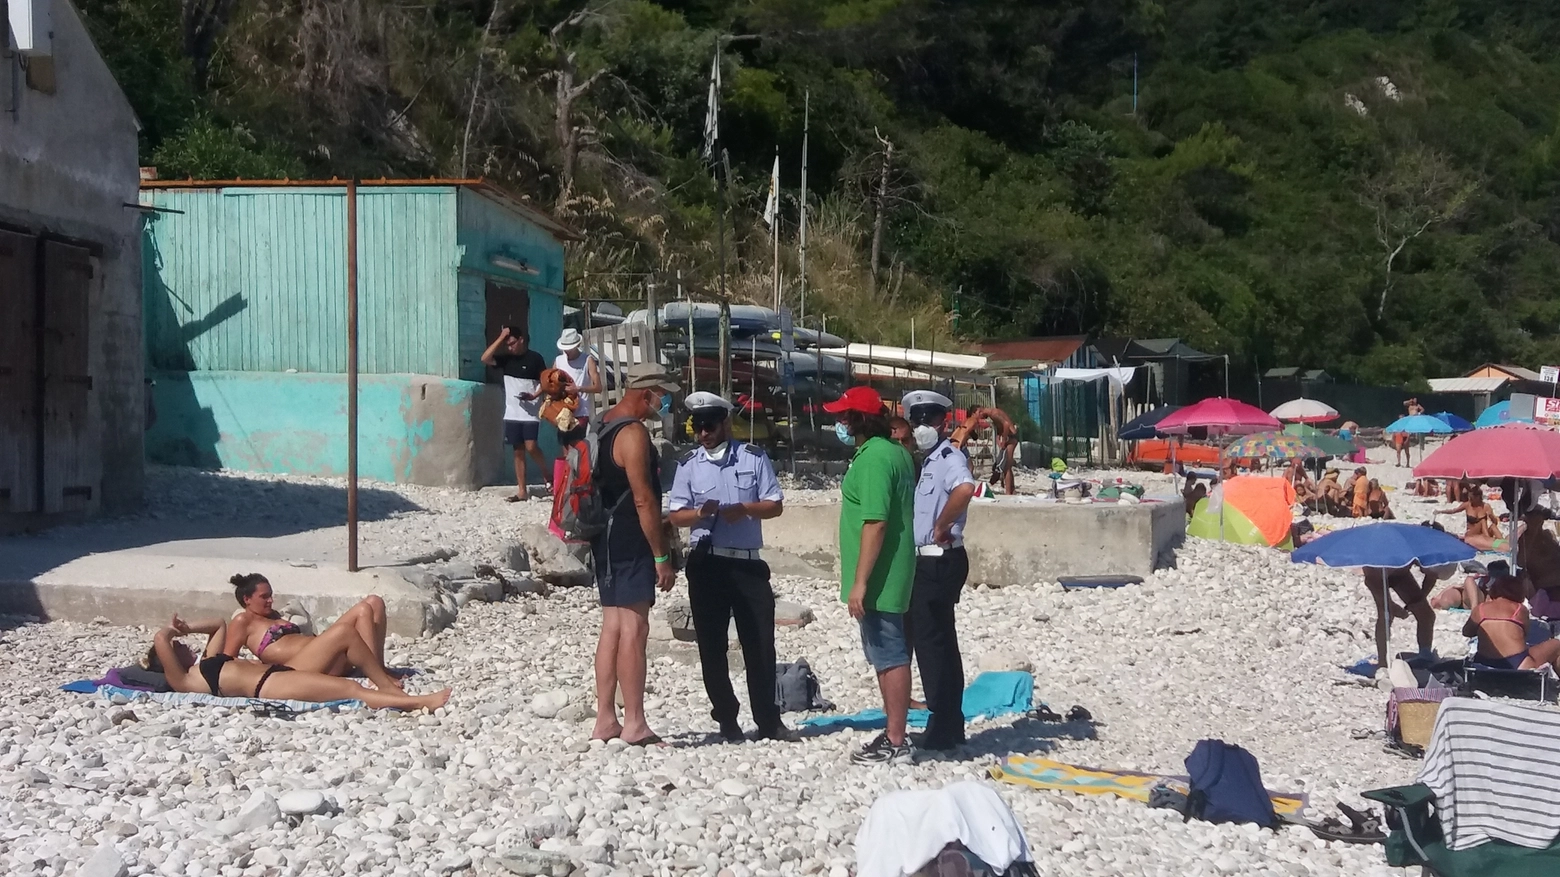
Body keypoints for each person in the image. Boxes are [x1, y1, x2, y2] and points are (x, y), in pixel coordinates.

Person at [666, 392, 797, 744]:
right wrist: (699, 514)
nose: (703, 434)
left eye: (709, 426)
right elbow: (675, 515)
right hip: (707, 563)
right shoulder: (689, 464)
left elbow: (775, 504)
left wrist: (747, 509)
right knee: (712, 645)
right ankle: (726, 718)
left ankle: (768, 721)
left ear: (725, 423)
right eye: (697, 427)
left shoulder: (753, 458)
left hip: (747, 564)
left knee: (760, 644)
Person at [824, 386, 918, 765]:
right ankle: (894, 733)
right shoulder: (895, 453)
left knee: (890, 653)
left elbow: (875, 522)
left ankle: (896, 739)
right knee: (884, 652)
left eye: (846, 416)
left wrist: (860, 582)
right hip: (891, 571)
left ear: (861, 419)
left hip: (880, 576)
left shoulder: (875, 459)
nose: (840, 422)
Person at [588, 362, 680, 746]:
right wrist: (661, 555)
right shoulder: (633, 434)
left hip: (603, 539)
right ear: (647, 394)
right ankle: (635, 722)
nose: (664, 401)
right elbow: (644, 499)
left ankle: (605, 718)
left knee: (612, 625)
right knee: (635, 628)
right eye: (662, 394)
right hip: (629, 538)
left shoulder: (601, 423)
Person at [149, 616, 450, 710]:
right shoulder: (186, 680)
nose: (185, 646)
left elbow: (218, 625)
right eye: (180, 646)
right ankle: (419, 702)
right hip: (269, 686)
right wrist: (170, 634)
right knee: (349, 689)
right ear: (170, 659)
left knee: (345, 634)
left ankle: (390, 688)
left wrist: (187, 627)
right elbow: (160, 639)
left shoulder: (209, 661)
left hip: (281, 675)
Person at [902, 390, 977, 750]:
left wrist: (943, 524)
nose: (922, 426)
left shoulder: (948, 457)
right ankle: (949, 721)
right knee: (941, 641)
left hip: (938, 557)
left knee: (932, 645)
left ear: (943, 421)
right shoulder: (929, 461)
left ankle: (942, 724)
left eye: (929, 419)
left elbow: (965, 489)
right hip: (931, 557)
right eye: (916, 420)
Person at [223, 574, 400, 689]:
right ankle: (375, 676)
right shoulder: (243, 621)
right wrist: (257, 666)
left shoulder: (274, 615)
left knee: (373, 602)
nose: (270, 601)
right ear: (247, 599)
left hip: (322, 653)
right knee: (361, 611)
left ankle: (377, 668)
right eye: (264, 597)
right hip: (299, 669)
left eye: (271, 595)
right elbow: (226, 660)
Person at [481, 326, 548, 501]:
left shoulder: (535, 358)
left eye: (512, 343)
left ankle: (547, 475)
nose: (510, 347)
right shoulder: (506, 360)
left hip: (531, 411)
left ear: (521, 340)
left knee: (531, 446)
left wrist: (535, 395)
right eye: (507, 345)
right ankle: (522, 491)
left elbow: (545, 381)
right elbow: (485, 358)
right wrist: (500, 337)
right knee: (518, 451)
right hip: (512, 412)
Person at [1463, 571, 1560, 671]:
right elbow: (1524, 636)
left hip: (1484, 662)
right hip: (1516, 663)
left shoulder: (1480, 609)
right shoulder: (1519, 609)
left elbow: (1466, 632)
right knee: (1557, 645)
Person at [1362, 566, 1436, 671]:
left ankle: (1425, 655)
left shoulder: (1423, 560)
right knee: (1386, 614)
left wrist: (1418, 600)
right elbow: (1385, 602)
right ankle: (1383, 663)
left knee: (1426, 614)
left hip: (1400, 572)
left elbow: (1431, 577)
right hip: (1375, 573)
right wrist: (1396, 608)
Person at [553, 329, 602, 437]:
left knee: (578, 447)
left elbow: (598, 387)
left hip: (581, 411)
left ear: (577, 345)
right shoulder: (559, 360)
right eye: (565, 348)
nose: (567, 351)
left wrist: (578, 389)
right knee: (566, 447)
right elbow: (552, 383)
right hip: (563, 410)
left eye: (569, 348)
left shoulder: (587, 360)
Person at [1435, 486, 1501, 547]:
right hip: (1472, 536)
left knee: (1493, 527)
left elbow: (1495, 522)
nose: (1470, 500)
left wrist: (1491, 516)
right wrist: (1440, 511)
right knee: (1482, 521)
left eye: (1472, 498)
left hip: (1484, 535)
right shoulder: (1467, 505)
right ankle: (1497, 544)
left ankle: (1504, 544)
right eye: (1469, 497)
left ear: (1478, 497)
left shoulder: (1486, 506)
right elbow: (1453, 511)